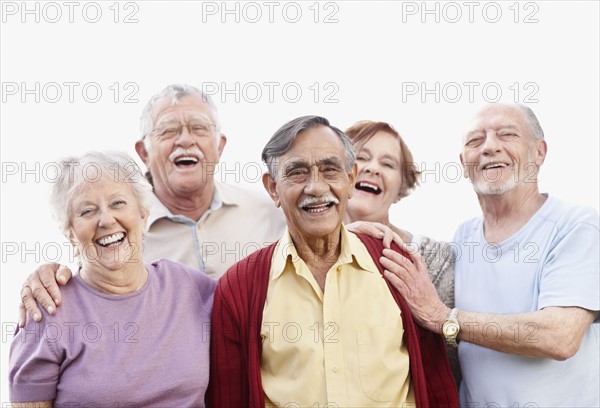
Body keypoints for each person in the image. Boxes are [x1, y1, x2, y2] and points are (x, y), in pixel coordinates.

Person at [207, 115, 458, 407]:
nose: (316, 187)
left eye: (330, 170)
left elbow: (437, 386)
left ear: (350, 179)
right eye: (297, 172)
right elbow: (229, 399)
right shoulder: (239, 288)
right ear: (273, 188)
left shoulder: (396, 265)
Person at [383, 104, 599, 406]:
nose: (489, 147)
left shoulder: (576, 225)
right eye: (475, 141)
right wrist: (366, 227)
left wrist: (444, 318)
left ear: (539, 152)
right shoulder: (464, 236)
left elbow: (559, 336)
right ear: (463, 162)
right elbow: (422, 250)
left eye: (507, 134)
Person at [19, 84, 286, 324]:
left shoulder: (270, 212)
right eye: (168, 130)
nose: (185, 139)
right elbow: (86, 289)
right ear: (143, 152)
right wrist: (46, 277)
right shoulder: (117, 233)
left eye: (199, 128)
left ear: (220, 147)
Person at [9, 152, 216, 406]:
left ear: (143, 215)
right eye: (87, 211)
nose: (106, 220)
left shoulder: (191, 288)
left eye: (118, 203)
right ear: (71, 232)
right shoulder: (47, 311)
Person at [344, 120, 454, 307]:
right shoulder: (300, 248)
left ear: (401, 188)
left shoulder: (435, 258)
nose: (373, 168)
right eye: (361, 157)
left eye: (387, 164)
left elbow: (449, 331)